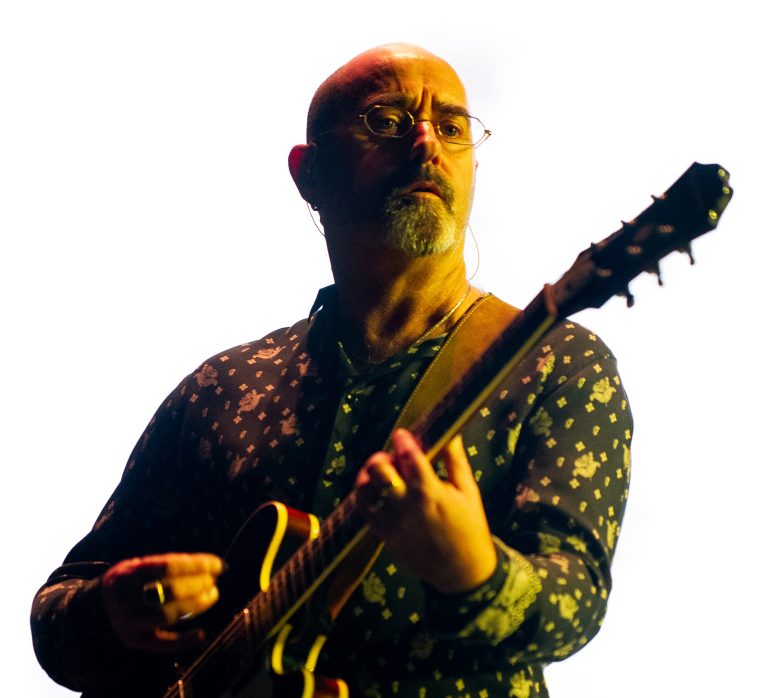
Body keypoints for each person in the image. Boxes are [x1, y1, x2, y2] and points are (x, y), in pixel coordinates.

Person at [31, 43, 632, 697]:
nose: (426, 143)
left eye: (452, 127)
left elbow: (576, 600)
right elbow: (57, 613)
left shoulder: (552, 363)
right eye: (387, 121)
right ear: (308, 173)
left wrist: (477, 573)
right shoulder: (223, 390)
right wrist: (109, 613)